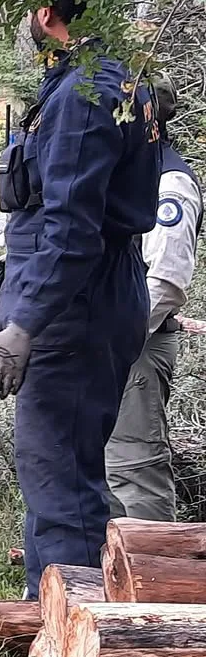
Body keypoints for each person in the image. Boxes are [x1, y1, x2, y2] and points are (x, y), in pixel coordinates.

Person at [0, 0, 161, 600]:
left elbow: (72, 230)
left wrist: (24, 324)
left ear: (47, 13)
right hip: (95, 296)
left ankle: (75, 633)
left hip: (76, 309)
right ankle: (58, 620)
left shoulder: (85, 94)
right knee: (62, 473)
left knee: (62, 487)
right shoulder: (119, 79)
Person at [106, 75, 202, 521]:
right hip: (115, 341)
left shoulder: (169, 183)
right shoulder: (134, 171)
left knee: (134, 470)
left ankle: (156, 559)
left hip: (137, 345)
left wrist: (112, 339)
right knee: (106, 470)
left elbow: (164, 282)